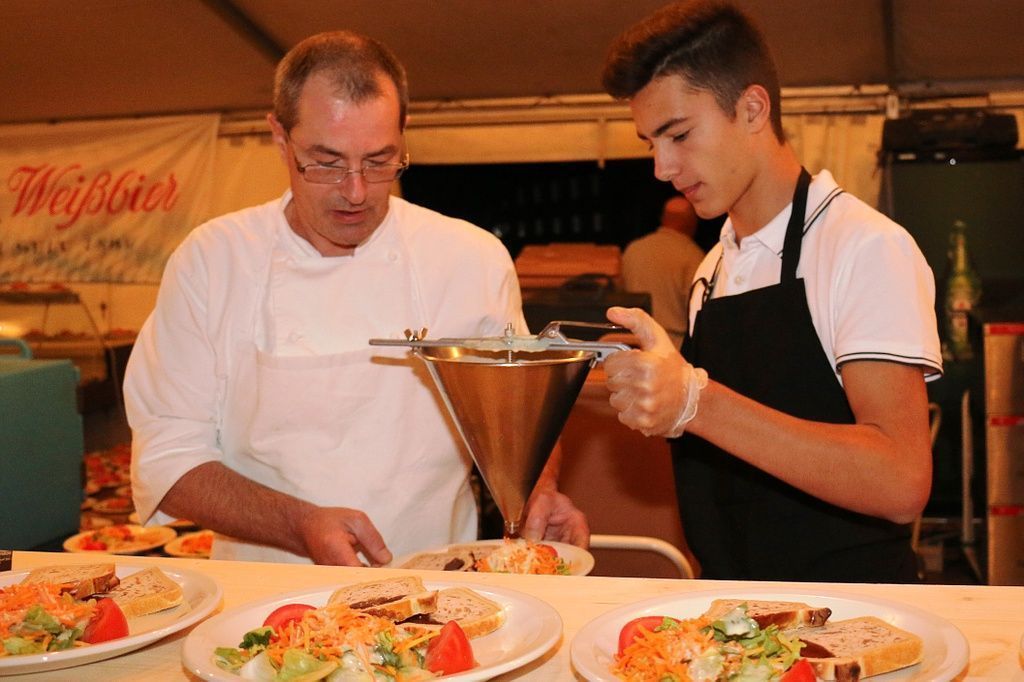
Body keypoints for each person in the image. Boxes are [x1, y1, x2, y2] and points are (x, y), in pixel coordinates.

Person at [124, 31, 587, 566]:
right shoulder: (213, 260)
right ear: (280, 138)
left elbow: (521, 413)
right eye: (325, 162)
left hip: (442, 588)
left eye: (379, 161)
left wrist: (538, 489)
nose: (356, 191)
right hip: (266, 595)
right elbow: (168, 459)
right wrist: (299, 526)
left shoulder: (469, 257)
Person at [599, 0, 942, 582]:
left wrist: (696, 402)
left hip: (855, 622)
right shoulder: (711, 268)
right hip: (739, 621)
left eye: (679, 134)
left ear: (753, 108)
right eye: (649, 143)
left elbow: (901, 481)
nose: (661, 166)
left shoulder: (862, 247)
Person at [621, 194, 705, 348]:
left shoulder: (634, 249)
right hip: (674, 346)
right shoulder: (692, 255)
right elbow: (700, 310)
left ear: (663, 218)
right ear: (692, 222)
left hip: (633, 342)